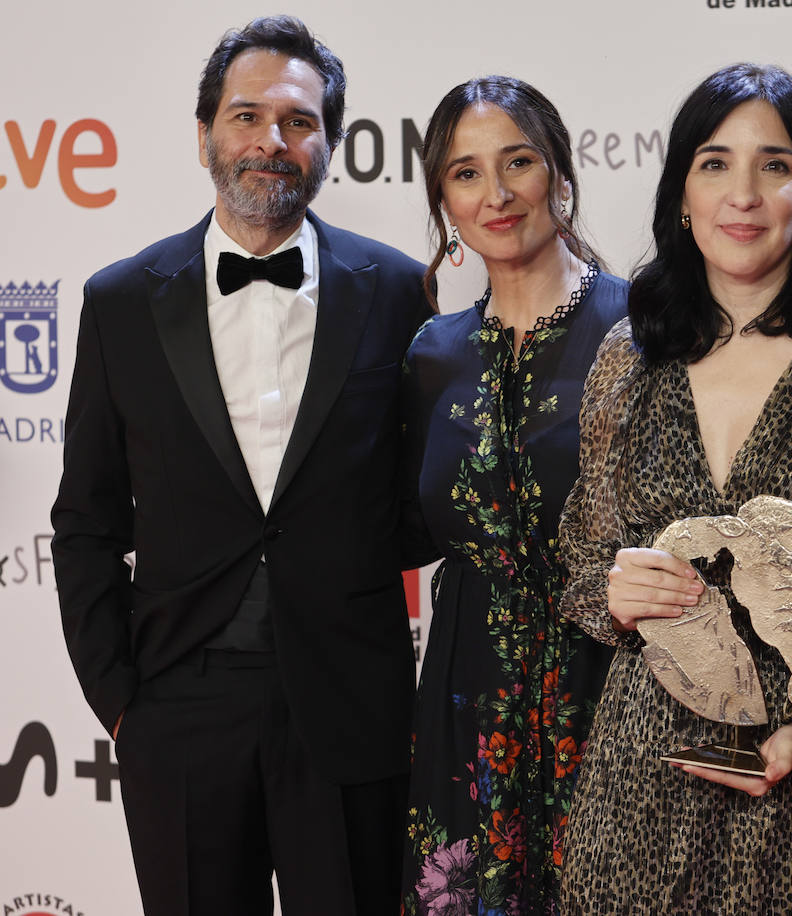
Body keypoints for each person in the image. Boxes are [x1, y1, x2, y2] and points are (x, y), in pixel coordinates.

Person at [49, 16, 431, 915]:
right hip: (178, 709)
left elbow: (421, 498)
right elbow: (86, 521)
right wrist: (120, 706)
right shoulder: (119, 302)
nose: (271, 140)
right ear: (204, 135)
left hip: (350, 707)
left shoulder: (400, 290)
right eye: (246, 115)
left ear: (330, 143)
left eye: (299, 121)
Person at [557, 64, 792, 914]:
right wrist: (616, 592)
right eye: (715, 163)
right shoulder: (628, 354)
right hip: (647, 775)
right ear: (682, 196)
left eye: (774, 165)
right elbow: (584, 557)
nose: (744, 194)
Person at [400, 76, 627, 916]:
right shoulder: (433, 355)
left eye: (518, 163)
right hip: (467, 694)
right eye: (465, 174)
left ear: (560, 177)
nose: (495, 195)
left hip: (609, 688)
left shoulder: (642, 332)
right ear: (444, 205)